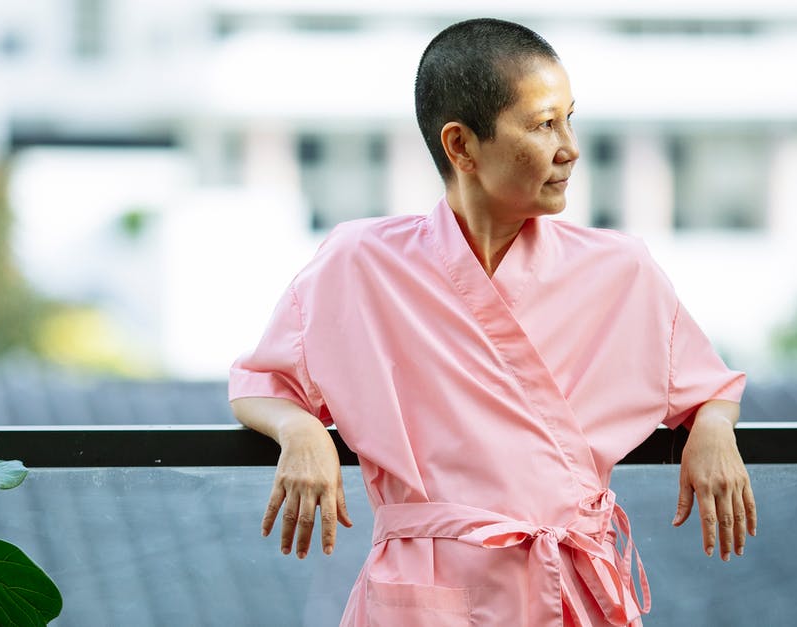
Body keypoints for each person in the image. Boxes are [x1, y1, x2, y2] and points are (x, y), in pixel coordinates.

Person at [229, 17, 756, 627]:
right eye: (543, 124)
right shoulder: (358, 263)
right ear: (461, 146)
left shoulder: (622, 269)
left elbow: (705, 388)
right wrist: (302, 434)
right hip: (425, 594)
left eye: (569, 118)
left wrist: (714, 431)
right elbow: (262, 385)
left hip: (572, 589)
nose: (570, 147)